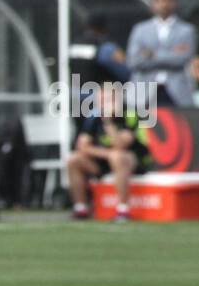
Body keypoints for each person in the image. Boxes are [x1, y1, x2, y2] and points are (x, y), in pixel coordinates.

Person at [65, 83, 154, 222]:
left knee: (117, 157)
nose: (102, 104)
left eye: (107, 99)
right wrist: (106, 154)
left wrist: (108, 123)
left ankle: (123, 209)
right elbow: (82, 146)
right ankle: (80, 207)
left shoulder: (129, 115)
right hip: (105, 160)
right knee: (73, 159)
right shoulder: (93, 117)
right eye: (100, 100)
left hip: (132, 162)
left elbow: (121, 144)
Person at [127, 0, 197, 107]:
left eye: (168, 0)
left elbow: (183, 59)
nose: (164, 4)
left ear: (175, 3)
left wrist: (152, 54)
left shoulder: (187, 30)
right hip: (145, 91)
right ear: (153, 3)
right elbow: (134, 60)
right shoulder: (140, 29)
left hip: (176, 92)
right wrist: (171, 54)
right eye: (159, 0)